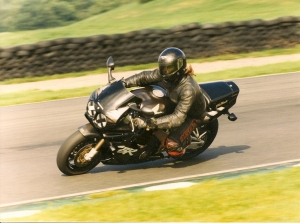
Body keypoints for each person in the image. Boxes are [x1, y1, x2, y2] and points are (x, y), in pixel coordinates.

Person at [123, 47, 207, 160]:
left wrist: (149, 123)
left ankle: (183, 143)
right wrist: (123, 83)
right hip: (173, 104)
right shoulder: (165, 75)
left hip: (191, 115)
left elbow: (178, 118)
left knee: (172, 145)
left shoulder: (187, 89)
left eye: (168, 68)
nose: (164, 71)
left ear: (179, 67)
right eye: (163, 68)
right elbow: (144, 77)